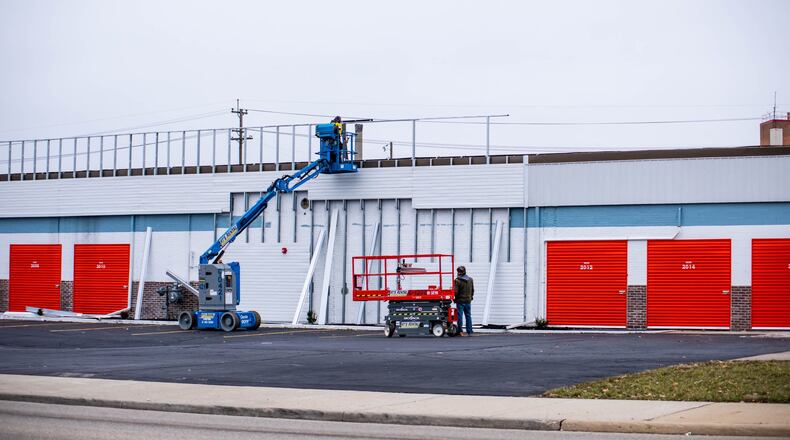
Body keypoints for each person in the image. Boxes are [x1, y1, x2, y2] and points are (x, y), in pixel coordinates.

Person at [454, 266, 474, 336]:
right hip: (468, 301)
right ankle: (470, 331)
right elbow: (472, 290)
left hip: (460, 301)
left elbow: (456, 292)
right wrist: (471, 297)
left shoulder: (457, 281)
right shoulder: (470, 279)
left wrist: (455, 299)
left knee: (460, 316)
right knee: (468, 316)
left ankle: (460, 331)